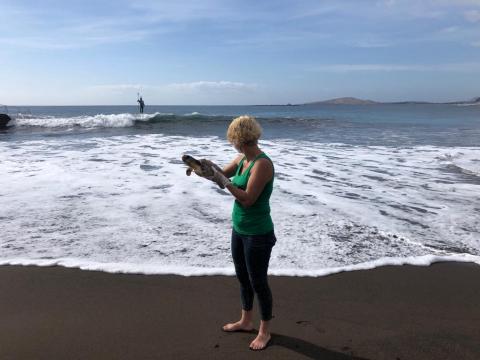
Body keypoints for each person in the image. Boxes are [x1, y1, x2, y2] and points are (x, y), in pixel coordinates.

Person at [207, 115, 276, 351]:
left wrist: (224, 182)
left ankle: (264, 331)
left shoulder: (262, 164)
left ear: (240, 139)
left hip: (258, 233)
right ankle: (246, 321)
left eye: (233, 139)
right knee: (243, 278)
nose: (232, 144)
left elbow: (247, 199)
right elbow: (220, 175)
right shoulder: (242, 158)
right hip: (239, 229)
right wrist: (204, 167)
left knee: (259, 283)